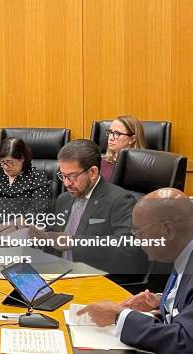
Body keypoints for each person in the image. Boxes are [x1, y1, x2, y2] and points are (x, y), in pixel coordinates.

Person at [77, 188, 193, 354]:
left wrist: (120, 315)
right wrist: (162, 301)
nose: (136, 239)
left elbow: (185, 342)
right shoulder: (183, 252)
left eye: (139, 231)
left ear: (167, 231)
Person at [30, 139, 148, 280]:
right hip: (58, 276)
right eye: (63, 176)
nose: (67, 183)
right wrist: (37, 236)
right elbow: (56, 241)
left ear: (92, 172)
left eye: (73, 176)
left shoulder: (120, 200)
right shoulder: (64, 199)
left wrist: (74, 242)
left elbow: (127, 247)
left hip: (96, 281)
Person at [0, 137, 51, 214]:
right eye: (2, 162)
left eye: (10, 162)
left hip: (21, 225)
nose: (5, 167)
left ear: (22, 159)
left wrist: (14, 224)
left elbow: (39, 210)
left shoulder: (37, 177)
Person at [101, 115, 147, 181]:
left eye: (117, 133)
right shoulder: (100, 163)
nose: (110, 138)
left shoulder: (141, 170)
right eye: (110, 132)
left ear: (132, 139)